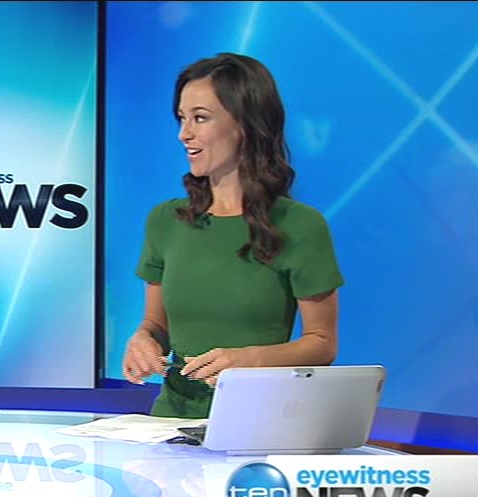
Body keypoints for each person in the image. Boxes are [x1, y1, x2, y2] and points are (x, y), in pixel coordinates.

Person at [122, 53, 343, 418]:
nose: (184, 134)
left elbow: (322, 344)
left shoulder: (299, 225)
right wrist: (143, 340)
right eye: (181, 118)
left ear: (246, 124)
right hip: (171, 423)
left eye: (200, 118)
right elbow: (156, 324)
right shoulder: (166, 220)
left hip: (258, 422)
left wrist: (247, 361)